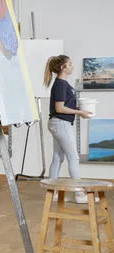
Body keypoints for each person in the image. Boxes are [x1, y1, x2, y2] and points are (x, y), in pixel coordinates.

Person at [45, 55, 92, 203]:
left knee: (58, 158)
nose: (72, 66)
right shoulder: (60, 84)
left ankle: (52, 194)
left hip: (59, 123)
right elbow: (60, 108)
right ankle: (79, 195)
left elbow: (65, 105)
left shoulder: (63, 83)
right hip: (61, 124)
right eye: (69, 64)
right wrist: (79, 112)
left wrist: (80, 110)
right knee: (74, 157)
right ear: (62, 68)